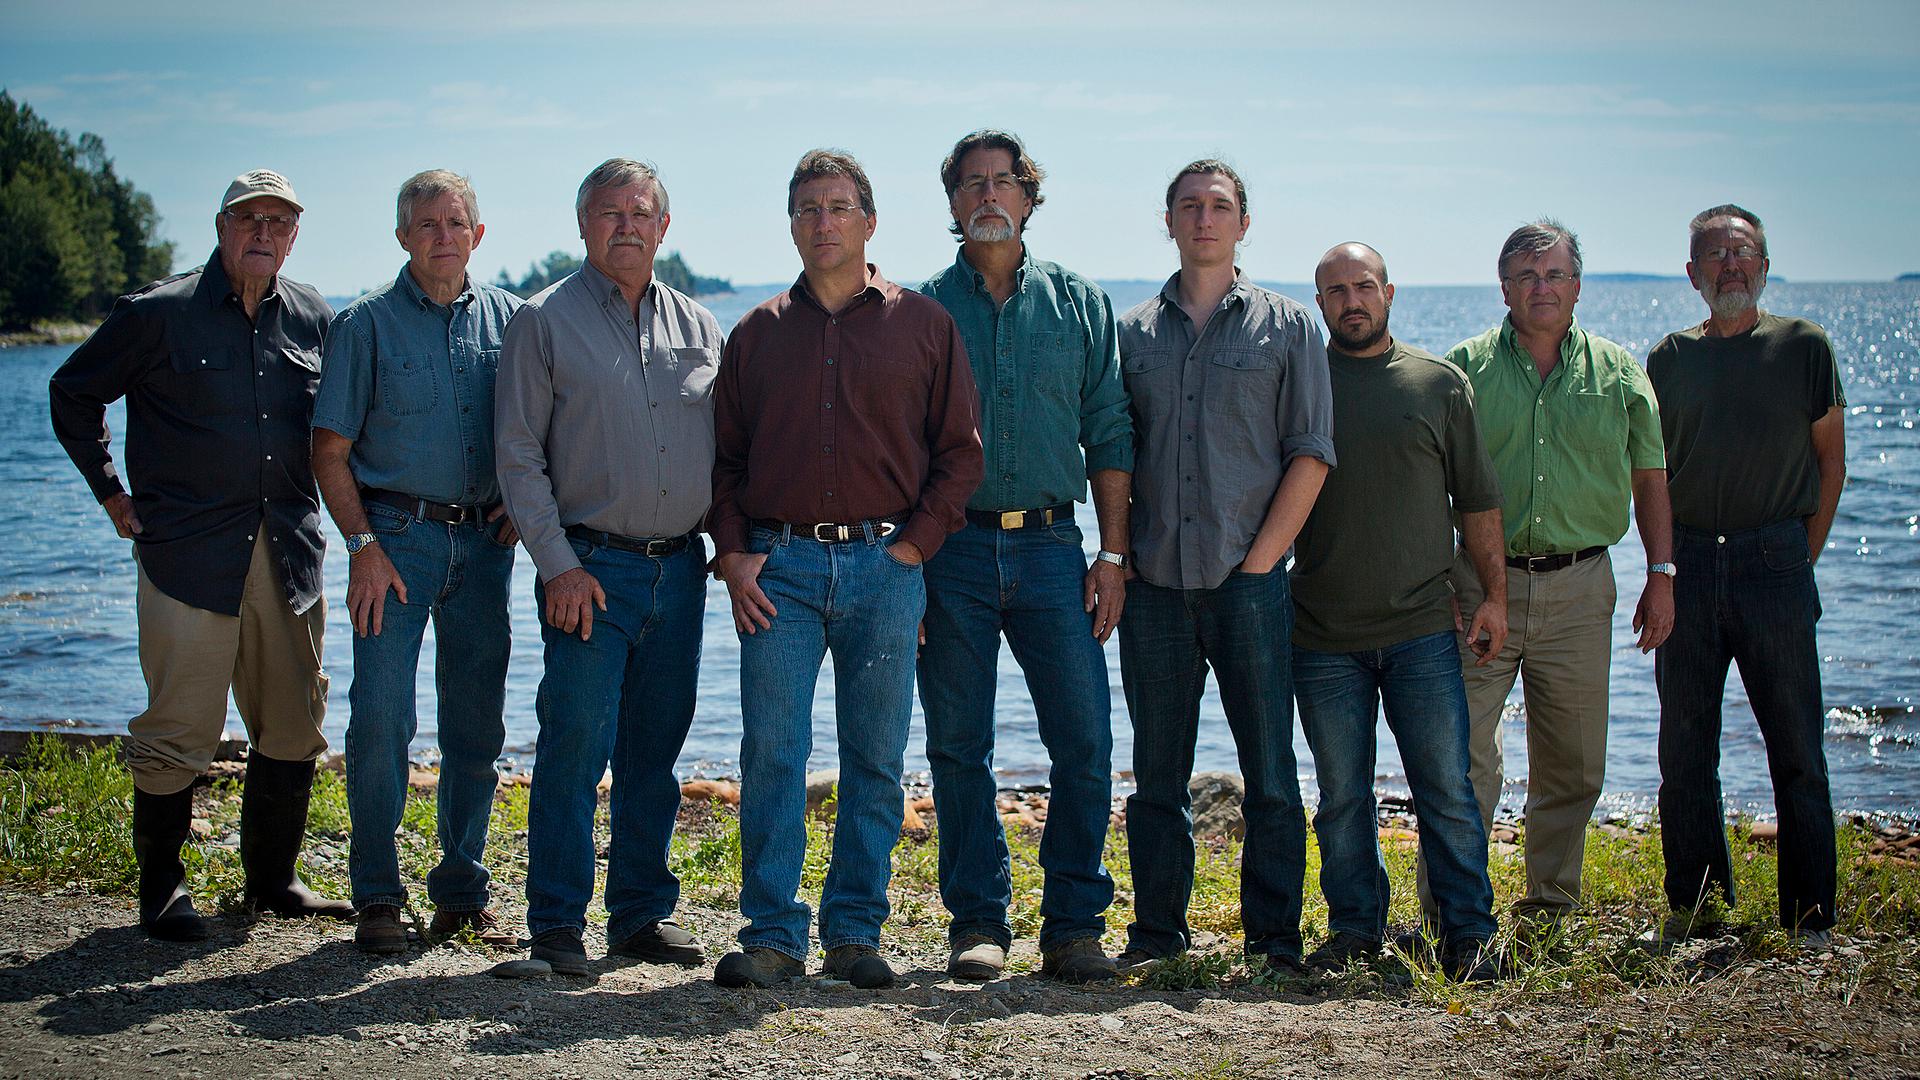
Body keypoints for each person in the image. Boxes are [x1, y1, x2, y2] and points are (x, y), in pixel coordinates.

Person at [50, 169, 352, 940]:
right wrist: (111, 492)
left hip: (288, 557)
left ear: (294, 236)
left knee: (292, 724)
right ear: (221, 227)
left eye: (278, 221)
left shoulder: (316, 317)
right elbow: (73, 392)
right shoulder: (157, 314)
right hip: (185, 557)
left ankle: (274, 884)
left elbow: (346, 430)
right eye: (248, 218)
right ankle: (162, 889)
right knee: (178, 726)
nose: (263, 232)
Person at [710, 149, 983, 989]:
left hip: (885, 567)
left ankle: (855, 932)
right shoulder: (756, 334)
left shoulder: (925, 324)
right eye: (806, 209)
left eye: (837, 207)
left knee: (874, 757)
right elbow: (721, 462)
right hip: (780, 571)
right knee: (773, 753)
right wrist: (734, 557)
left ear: (869, 220)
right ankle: (772, 935)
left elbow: (961, 455)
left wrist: (912, 550)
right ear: (791, 224)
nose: (821, 222)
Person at [494, 158, 721, 975]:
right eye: (609, 212)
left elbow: (725, 455)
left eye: (641, 211)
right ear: (582, 223)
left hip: (682, 573)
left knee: (654, 752)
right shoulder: (543, 321)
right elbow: (517, 455)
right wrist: (556, 566)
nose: (626, 224)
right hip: (588, 572)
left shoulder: (700, 326)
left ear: (665, 226)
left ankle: (638, 916)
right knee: (574, 746)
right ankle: (555, 923)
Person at [916, 129, 1133, 984]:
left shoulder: (1079, 303)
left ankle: (1075, 925)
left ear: (1030, 198)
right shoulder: (923, 309)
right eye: (971, 185)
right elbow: (903, 448)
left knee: (1083, 739)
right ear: (952, 204)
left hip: (1052, 549)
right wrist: (911, 567)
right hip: (952, 554)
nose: (987, 198)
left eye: (1003, 183)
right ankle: (978, 922)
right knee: (957, 745)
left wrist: (1113, 554)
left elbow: (1110, 428)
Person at [1116, 160, 1334, 978]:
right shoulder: (1131, 333)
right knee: (1156, 774)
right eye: (1189, 206)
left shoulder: (1289, 326)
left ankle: (1274, 939)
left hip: (1252, 585)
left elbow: (1311, 452)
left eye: (1220, 207)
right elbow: (1114, 454)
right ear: (1167, 220)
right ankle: (1156, 934)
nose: (1204, 219)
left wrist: (1260, 564)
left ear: (1244, 223)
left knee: (1271, 770)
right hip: (1156, 590)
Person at [1426, 219, 1672, 931]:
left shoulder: (1619, 373)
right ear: (1504, 287)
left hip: (1579, 587)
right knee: (1464, 762)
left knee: (1574, 763)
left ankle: (1550, 909)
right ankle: (1452, 913)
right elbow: (1427, 479)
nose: (1542, 287)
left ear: (1576, 285)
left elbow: (1651, 474)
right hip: (1477, 589)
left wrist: (1663, 573)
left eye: (1555, 274)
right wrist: (1439, 578)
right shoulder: (1462, 368)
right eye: (1527, 276)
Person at [311, 170, 522, 953]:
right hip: (394, 544)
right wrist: (363, 547)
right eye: (427, 224)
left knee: (477, 726)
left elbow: (546, 427)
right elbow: (327, 451)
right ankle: (376, 897)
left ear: (478, 234)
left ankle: (462, 894)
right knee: (380, 718)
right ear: (403, 236)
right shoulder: (363, 326)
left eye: (456, 222)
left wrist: (522, 507)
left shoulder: (511, 319)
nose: (443, 235)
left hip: (486, 548)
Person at [1294, 243, 1504, 980]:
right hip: (1320, 634)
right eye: (1335, 291)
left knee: (1445, 790)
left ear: (1389, 292)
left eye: (1363, 287)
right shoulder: (1300, 381)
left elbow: (1477, 501)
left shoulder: (1438, 383)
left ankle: (1469, 935)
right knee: (1342, 798)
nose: (1351, 301)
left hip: (1421, 631)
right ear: (1318, 304)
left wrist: (1495, 600)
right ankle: (1355, 930)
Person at [1647, 204, 1846, 947]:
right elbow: (1654, 474)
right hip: (1691, 565)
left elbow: (1832, 462)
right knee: (1684, 750)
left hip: (1774, 564)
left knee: (1796, 747)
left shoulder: (1804, 347)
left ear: (1764, 265)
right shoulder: (1668, 359)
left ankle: (1810, 917)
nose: (1731, 265)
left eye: (1744, 252)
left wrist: (1799, 556)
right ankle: (1698, 910)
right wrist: (1661, 569)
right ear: (1692, 274)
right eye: (1715, 256)